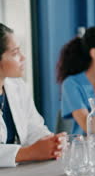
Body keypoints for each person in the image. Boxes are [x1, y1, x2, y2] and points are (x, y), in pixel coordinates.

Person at [0, 23, 65, 167]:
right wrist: (29, 152)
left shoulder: (18, 86)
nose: (23, 57)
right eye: (15, 53)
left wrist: (52, 142)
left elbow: (34, 127)